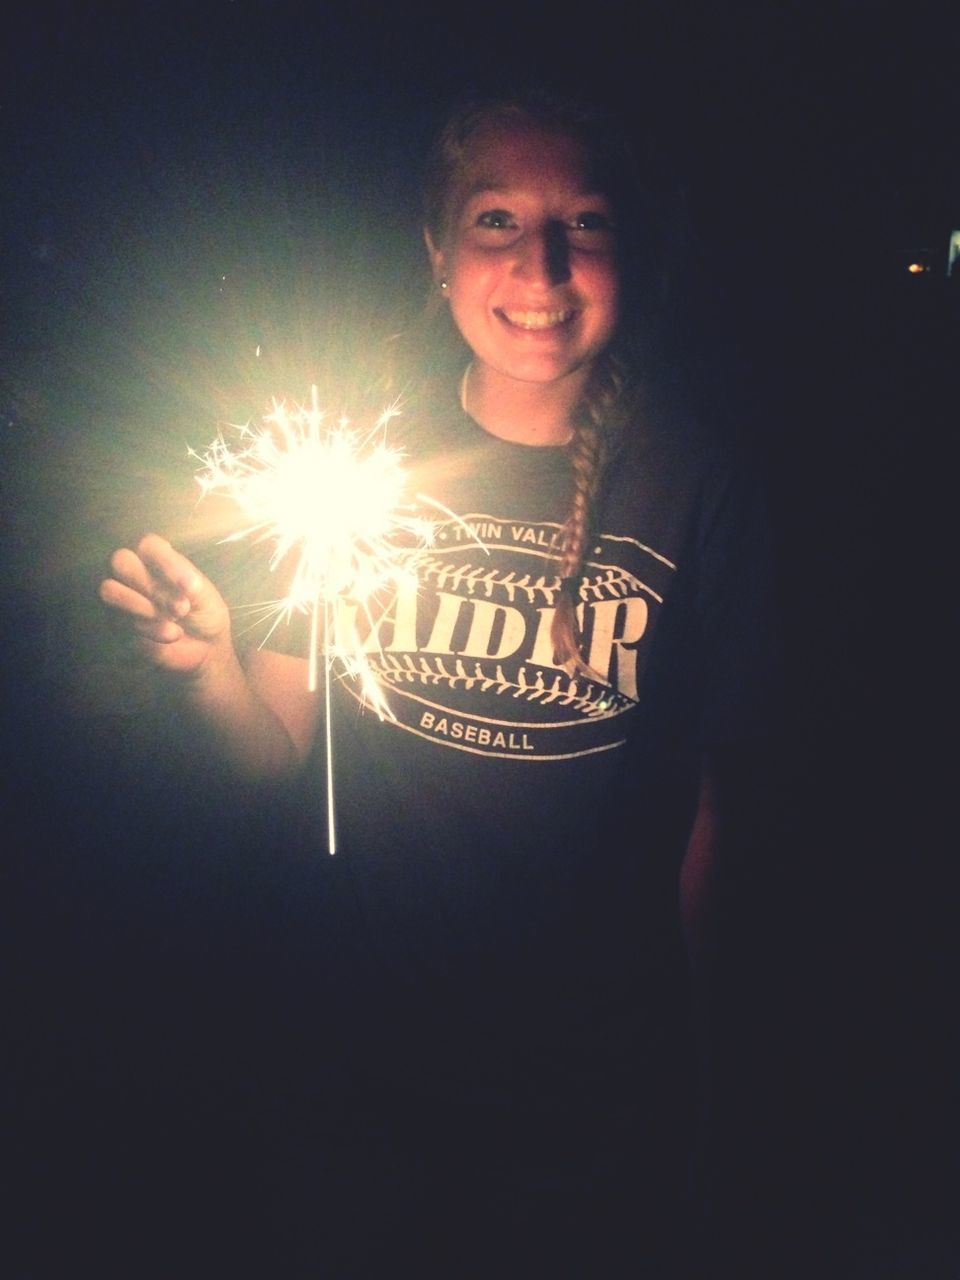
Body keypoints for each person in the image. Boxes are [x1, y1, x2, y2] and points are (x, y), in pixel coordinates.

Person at [99, 87, 778, 1277]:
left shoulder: (696, 481)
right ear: (438, 248)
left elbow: (730, 808)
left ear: (635, 249)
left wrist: (722, 1066)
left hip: (598, 1080)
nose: (544, 265)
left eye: (589, 223)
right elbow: (276, 754)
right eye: (500, 220)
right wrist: (207, 667)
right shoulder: (365, 457)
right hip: (362, 1053)